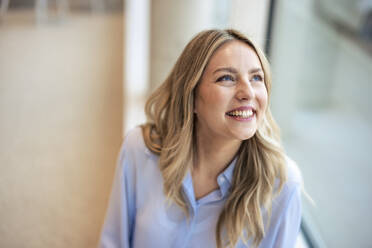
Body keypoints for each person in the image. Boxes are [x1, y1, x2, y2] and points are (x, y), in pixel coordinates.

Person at [98, 29, 302, 248]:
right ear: (192, 97)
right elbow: (113, 242)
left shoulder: (283, 185)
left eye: (256, 77)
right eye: (226, 78)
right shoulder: (140, 149)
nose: (248, 93)